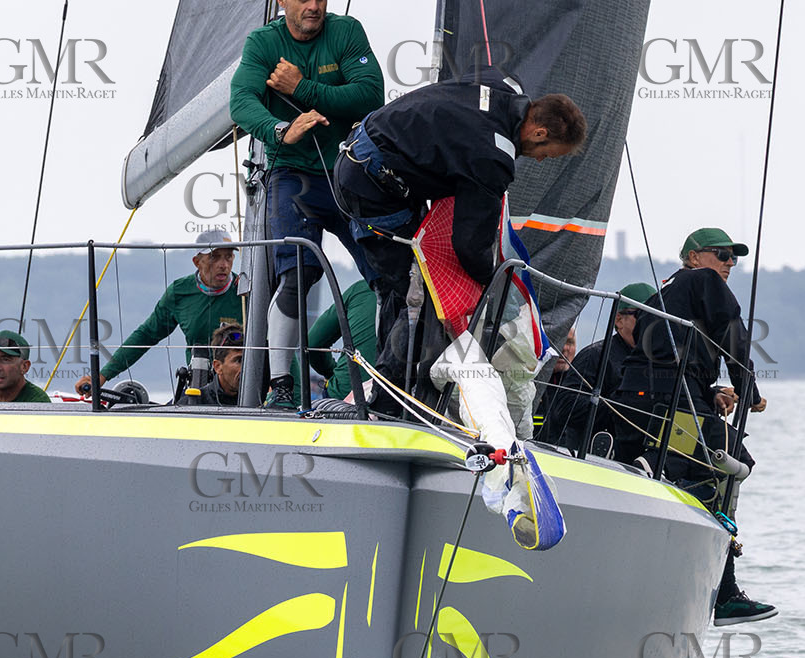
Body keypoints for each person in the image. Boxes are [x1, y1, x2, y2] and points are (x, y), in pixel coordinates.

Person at [332, 66, 586, 392]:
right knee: (422, 300)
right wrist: (493, 280)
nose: (538, 161)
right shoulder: (494, 157)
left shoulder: (503, 83)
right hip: (371, 189)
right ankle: (385, 402)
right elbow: (469, 245)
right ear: (538, 132)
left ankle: (386, 392)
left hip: (363, 154)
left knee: (404, 289)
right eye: (546, 154)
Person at [613, 227, 773, 625]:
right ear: (695, 257)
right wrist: (748, 389)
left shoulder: (670, 292)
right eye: (721, 255)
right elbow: (732, 330)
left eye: (733, 258)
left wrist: (709, 390)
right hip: (668, 397)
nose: (729, 264)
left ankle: (655, 467)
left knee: (708, 470)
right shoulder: (702, 281)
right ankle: (725, 595)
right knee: (732, 464)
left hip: (644, 397)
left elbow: (669, 348)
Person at [229, 0, 384, 409]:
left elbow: (371, 95)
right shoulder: (263, 42)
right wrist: (279, 129)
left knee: (385, 276)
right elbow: (241, 102)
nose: (313, 5)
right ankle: (280, 387)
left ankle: (390, 378)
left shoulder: (347, 31)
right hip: (294, 176)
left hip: (349, 174)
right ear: (282, 1)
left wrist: (301, 89)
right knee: (298, 273)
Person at [75, 230, 245, 396]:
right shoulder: (179, 292)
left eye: (228, 257)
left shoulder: (244, 292)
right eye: (214, 257)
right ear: (197, 262)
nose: (223, 265)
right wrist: (102, 376)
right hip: (199, 387)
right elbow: (146, 335)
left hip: (243, 388)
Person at [533, 283, 654, 454]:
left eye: (656, 317)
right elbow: (566, 407)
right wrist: (621, 408)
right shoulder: (596, 356)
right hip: (592, 457)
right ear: (619, 320)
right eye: (642, 315)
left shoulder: (659, 363)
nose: (650, 323)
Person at [303, 278, 375, 403]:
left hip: (344, 392)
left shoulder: (362, 288)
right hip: (401, 401)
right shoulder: (418, 295)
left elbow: (313, 342)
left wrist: (333, 374)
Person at [199, 323, 245, 407]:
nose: (246, 368)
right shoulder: (193, 405)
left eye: (248, 361)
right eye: (239, 360)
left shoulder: (265, 400)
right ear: (218, 367)